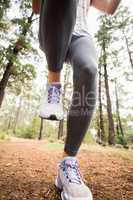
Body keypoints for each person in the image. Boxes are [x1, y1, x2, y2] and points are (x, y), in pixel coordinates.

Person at [32, 0, 121, 199]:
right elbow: (37, 7)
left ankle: (67, 165)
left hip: (81, 35)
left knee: (89, 69)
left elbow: (110, 9)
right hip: (54, 30)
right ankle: (53, 88)